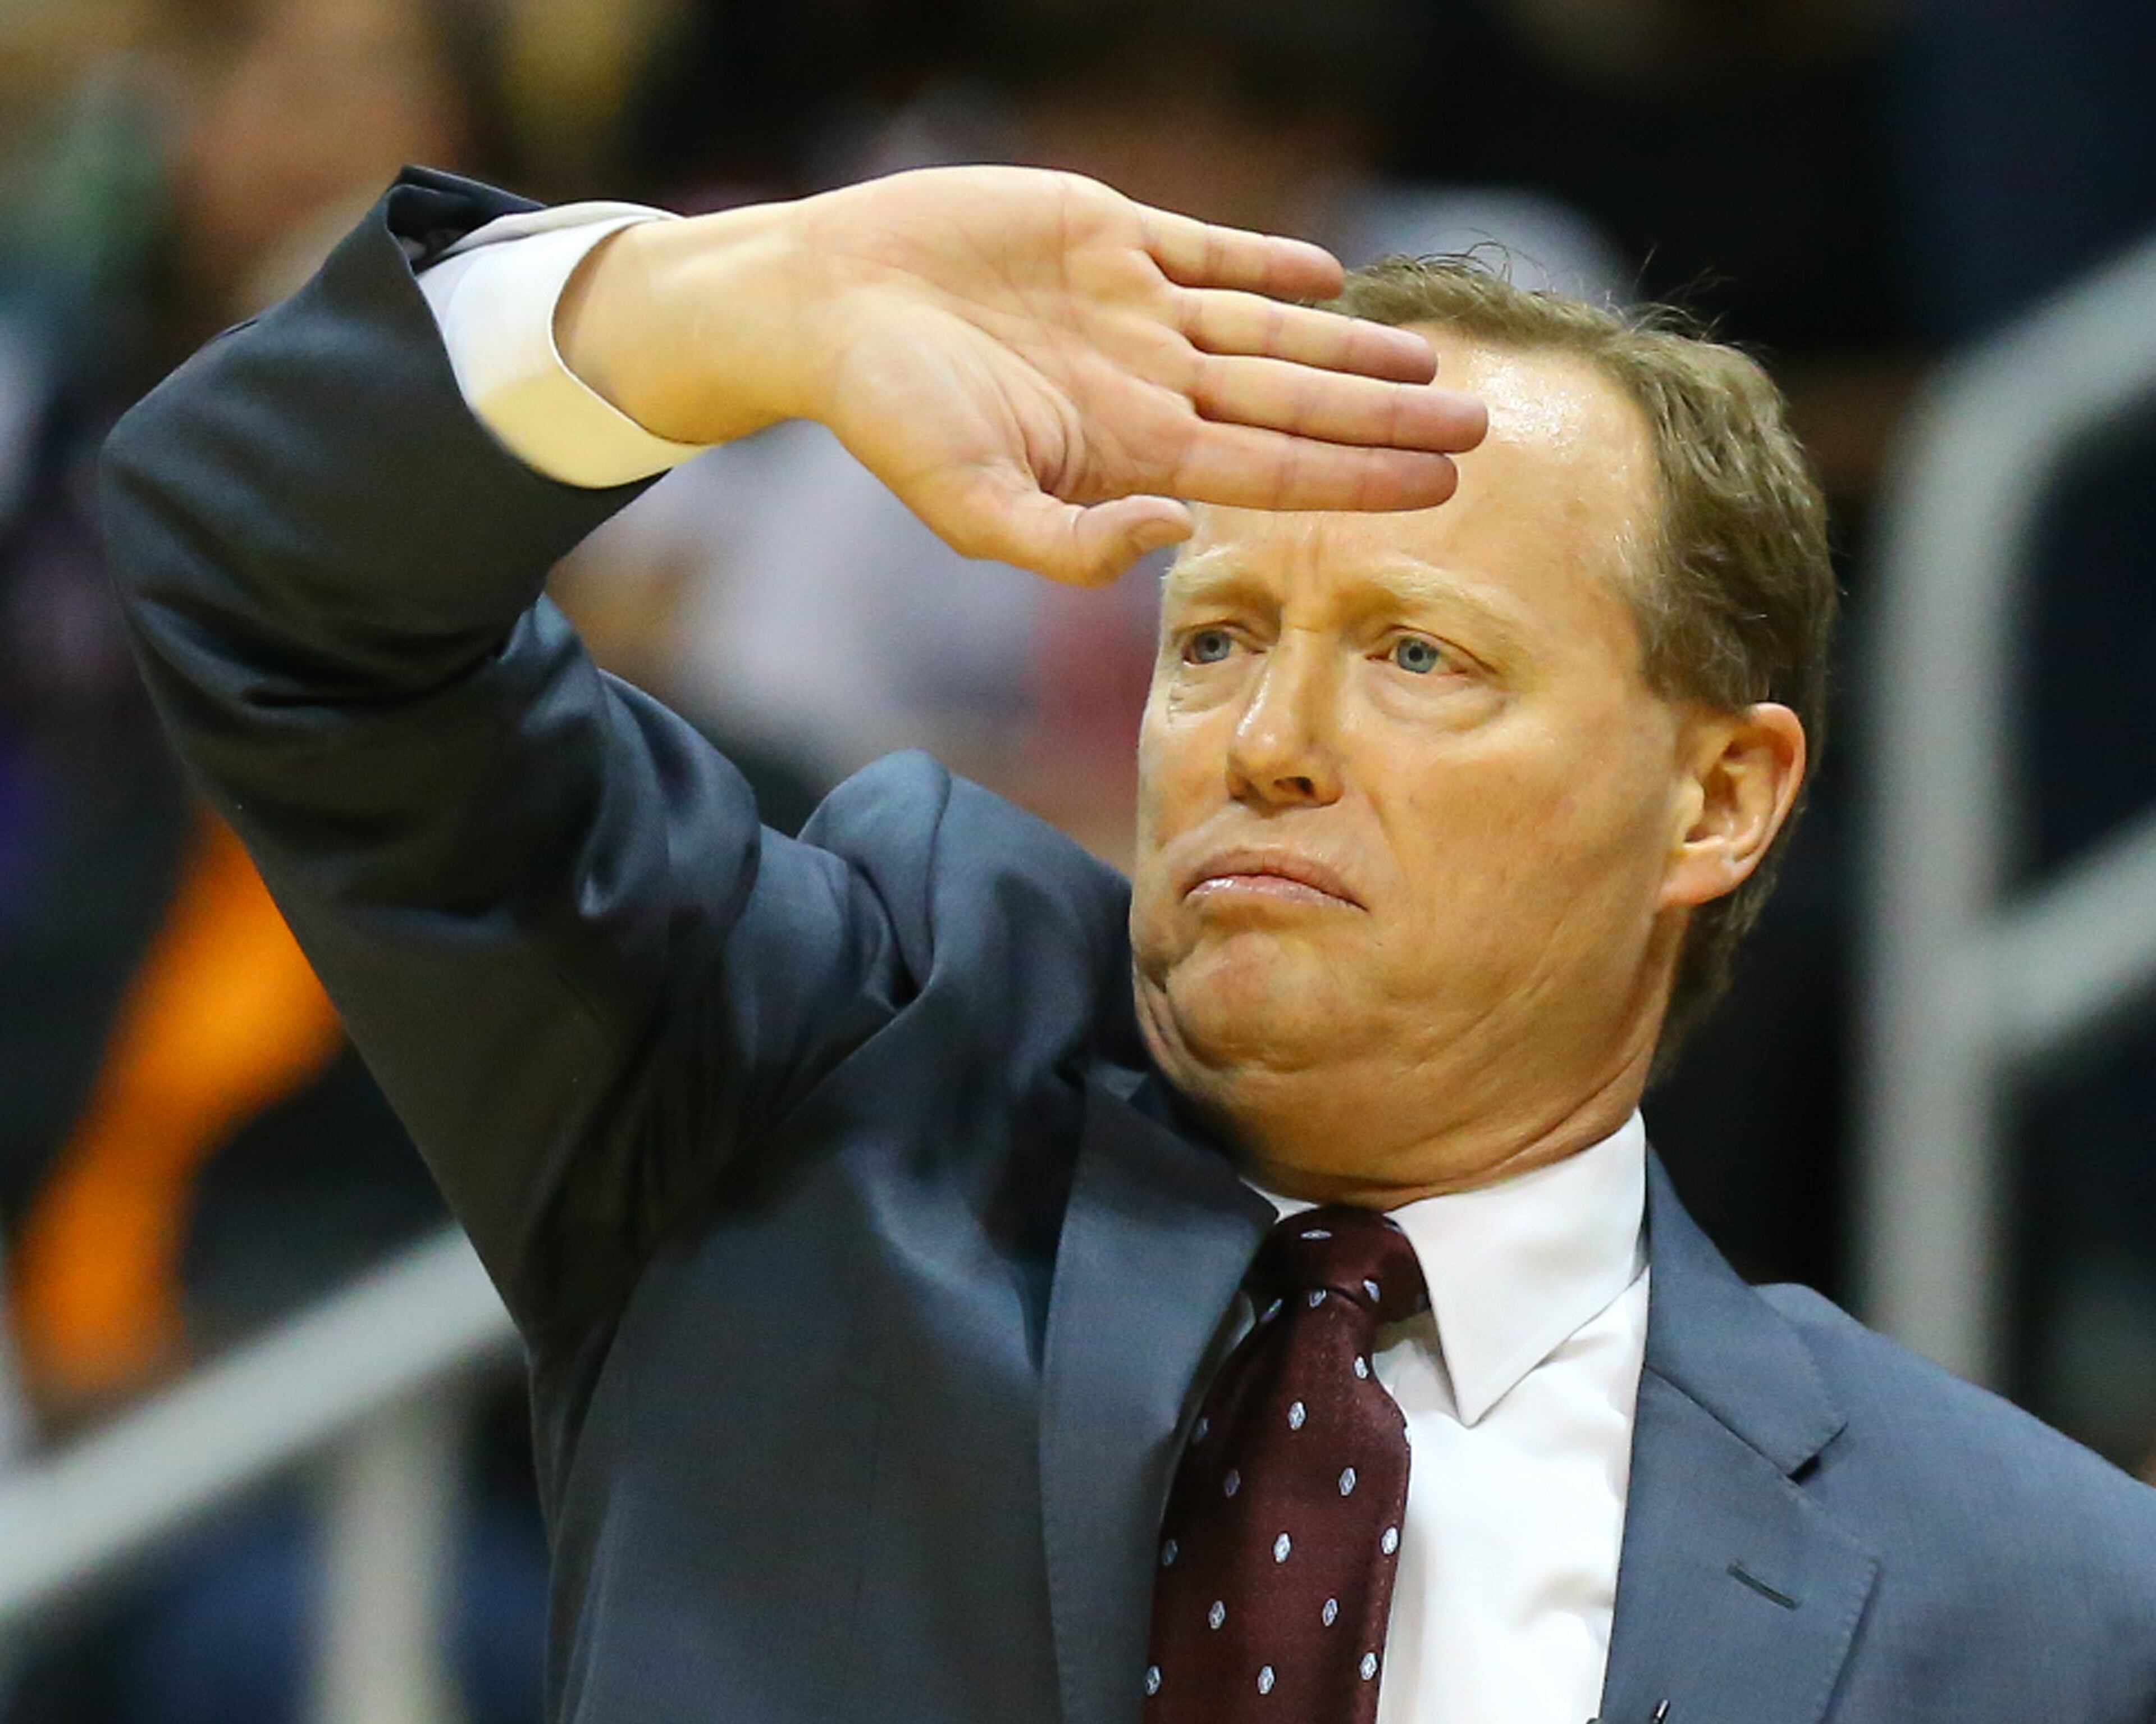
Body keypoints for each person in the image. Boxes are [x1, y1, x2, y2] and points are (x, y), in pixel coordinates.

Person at [101, 161, 2156, 1724]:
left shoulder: (2040, 1601)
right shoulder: (798, 1086)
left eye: (1419, 656)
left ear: (1718, 800)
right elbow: (259, 566)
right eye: (1219, 638)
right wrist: (734, 303)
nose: (1267, 742)